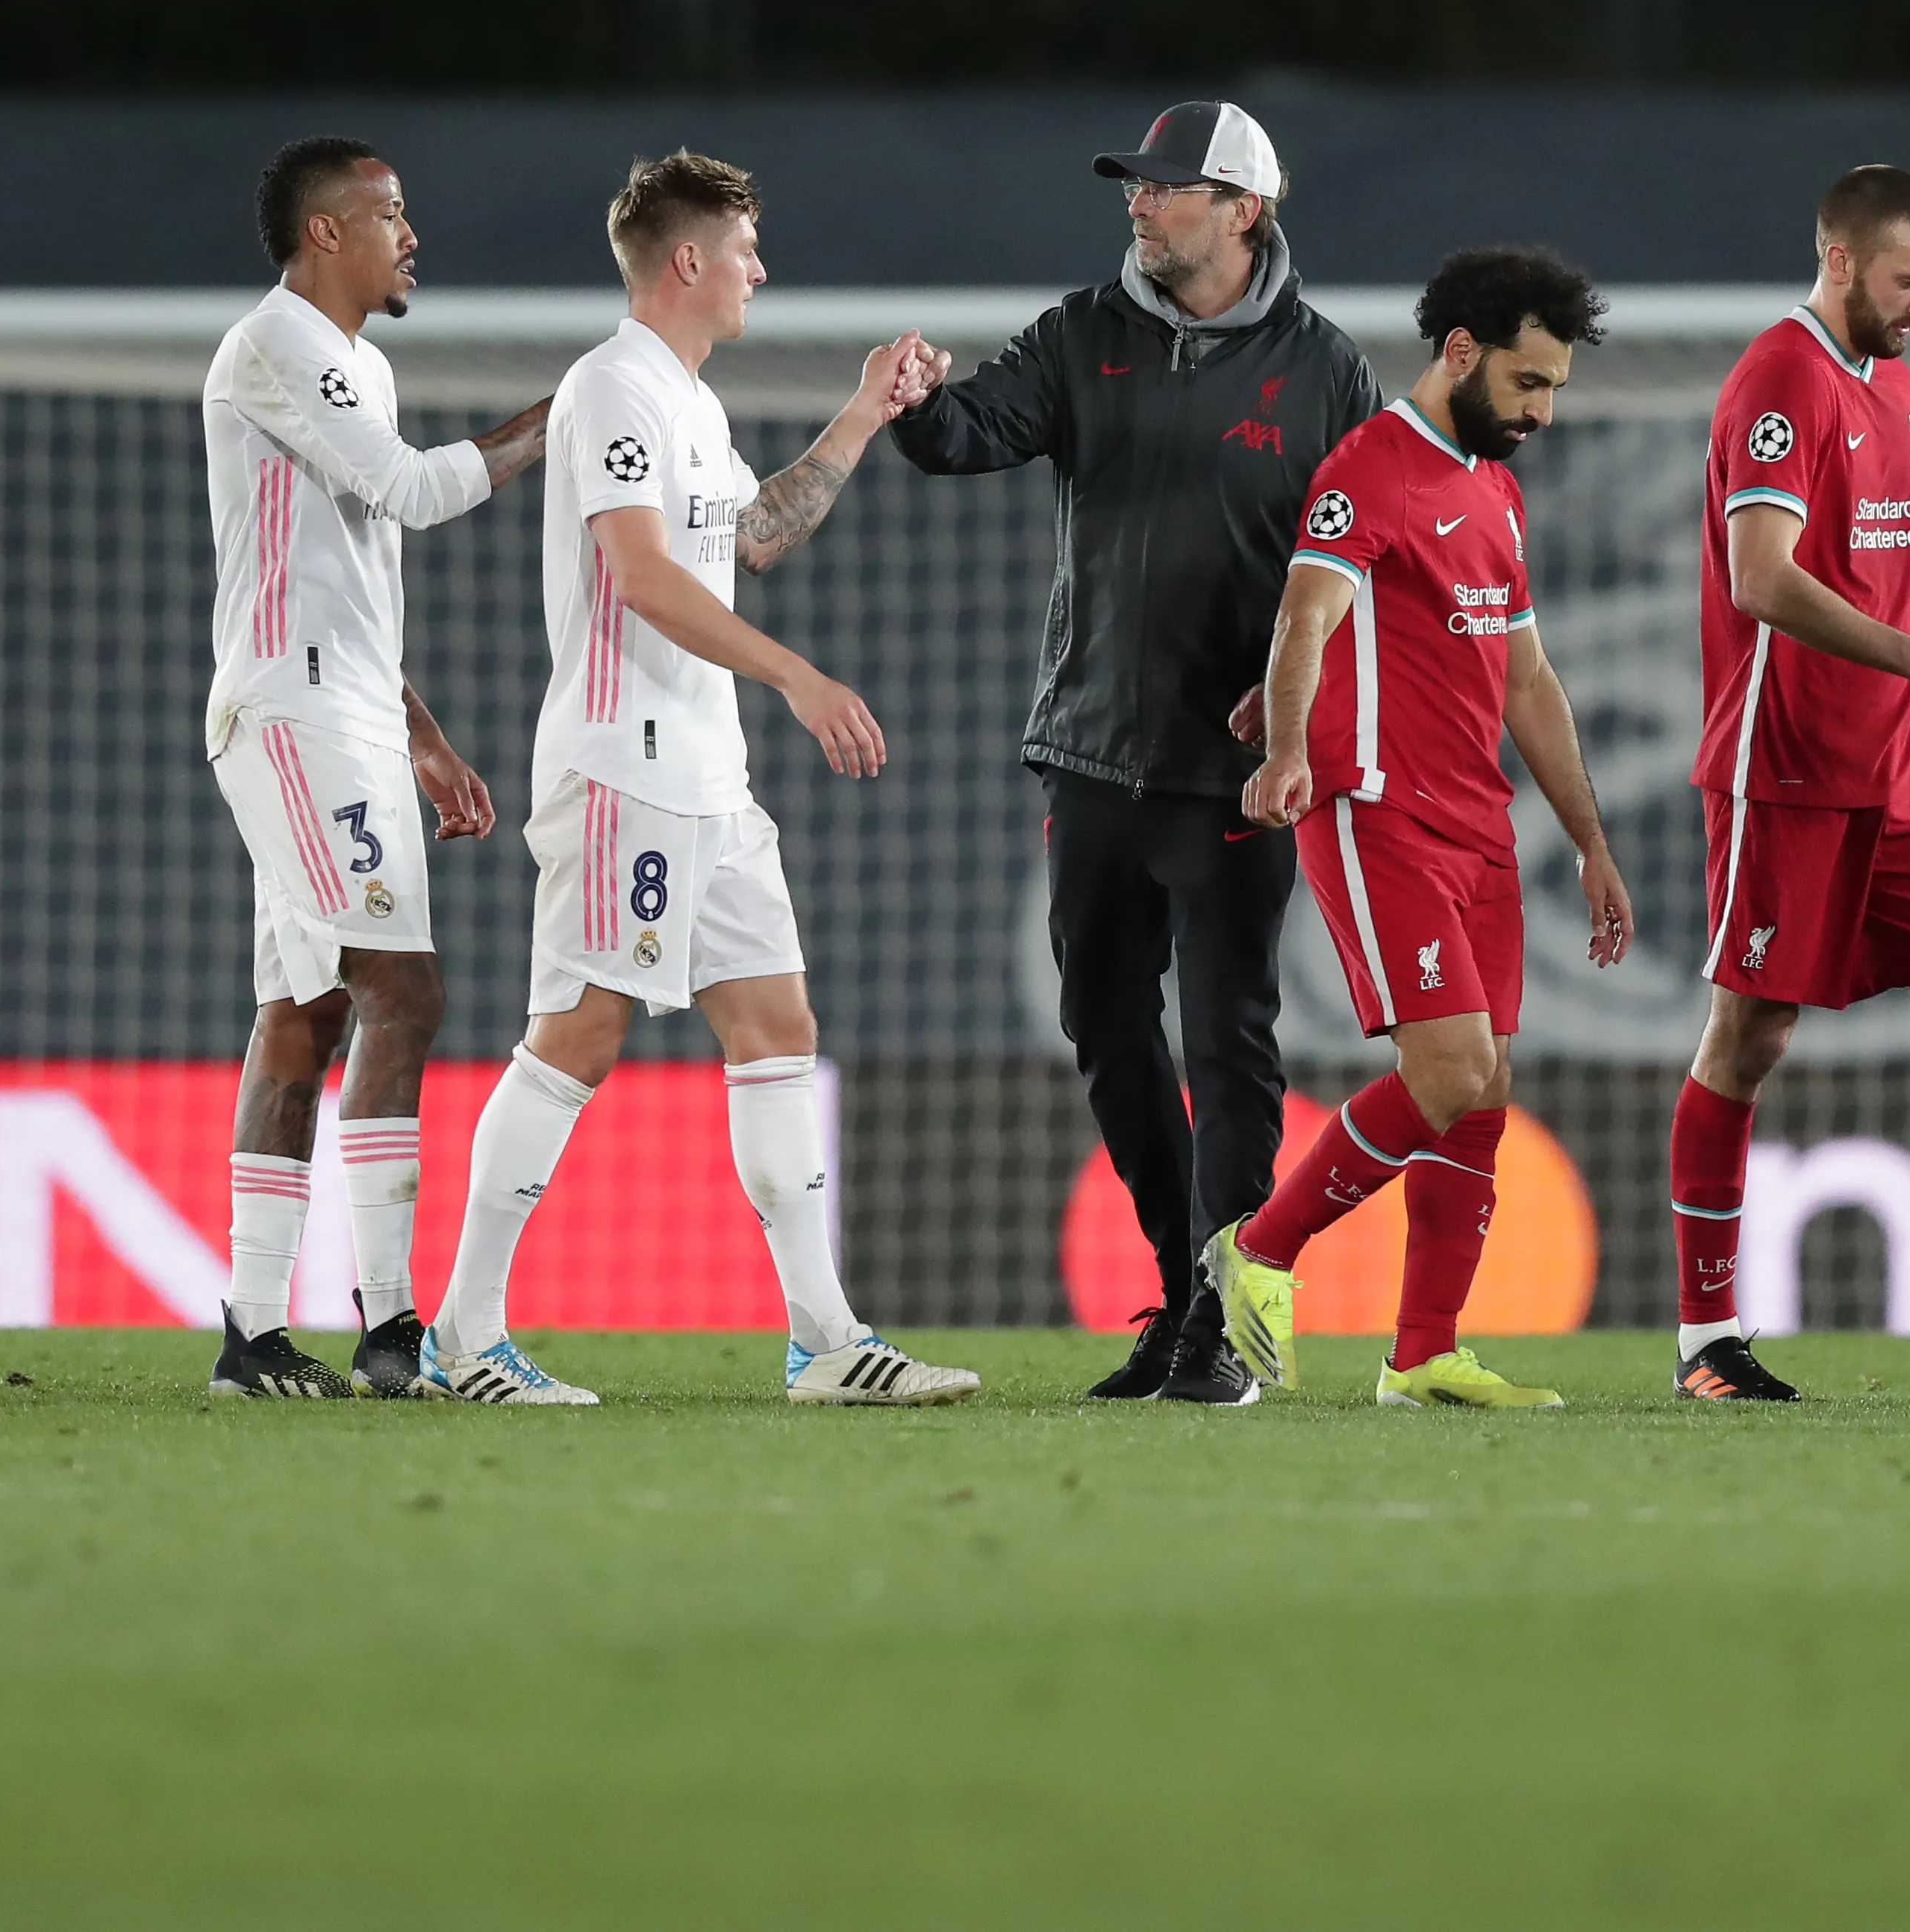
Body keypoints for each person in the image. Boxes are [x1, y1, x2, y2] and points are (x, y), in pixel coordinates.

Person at [422, 149, 977, 1408]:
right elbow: (643, 576)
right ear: (687, 261)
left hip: (708, 781)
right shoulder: (613, 389)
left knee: (777, 1025)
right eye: (743, 250)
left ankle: (827, 1341)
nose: (758, 273)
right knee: (579, 1031)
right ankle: (462, 1337)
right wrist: (800, 680)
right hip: (630, 769)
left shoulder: (688, 403)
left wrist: (864, 413)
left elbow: (755, 537)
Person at [887, 102, 1377, 1405]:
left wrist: (1299, 716)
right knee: (1103, 1027)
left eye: (1169, 188)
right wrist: (918, 402)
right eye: (1137, 185)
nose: (1139, 204)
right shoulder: (1077, 335)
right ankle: (1183, 1285)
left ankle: (1224, 1315)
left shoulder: (1326, 372)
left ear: (1245, 212)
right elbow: (969, 436)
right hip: (1094, 754)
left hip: (1236, 776)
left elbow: (1368, 571)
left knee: (1230, 1043)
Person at [1207, 247, 1635, 1410]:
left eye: (1555, 389)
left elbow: (1529, 680)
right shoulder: (1371, 472)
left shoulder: (1494, 485)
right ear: (1460, 354)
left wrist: (1589, 840)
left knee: (1484, 1088)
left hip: (1482, 827)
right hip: (1380, 811)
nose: (1543, 412)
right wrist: (1291, 747)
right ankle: (1257, 1254)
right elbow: (1306, 617)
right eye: (1530, 383)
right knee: (1446, 1068)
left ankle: (1423, 1354)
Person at [1671, 163, 1910, 1402]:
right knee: (1751, 1037)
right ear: (1842, 261)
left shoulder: (1885, 382)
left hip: (1901, 768)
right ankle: (1705, 1343)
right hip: (1784, 765)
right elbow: (1763, 578)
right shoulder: (1778, 379)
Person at [199, 137, 547, 1398]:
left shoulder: (364, 364)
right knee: (406, 993)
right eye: (391, 213)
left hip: (344, 711)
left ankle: (253, 1331)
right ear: (325, 234)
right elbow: (410, 493)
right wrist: (565, 418)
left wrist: (424, 734)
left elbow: (353, 583)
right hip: (291, 716)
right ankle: (395, 1322)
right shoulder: (276, 341)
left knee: (310, 1010)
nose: (413, 233)